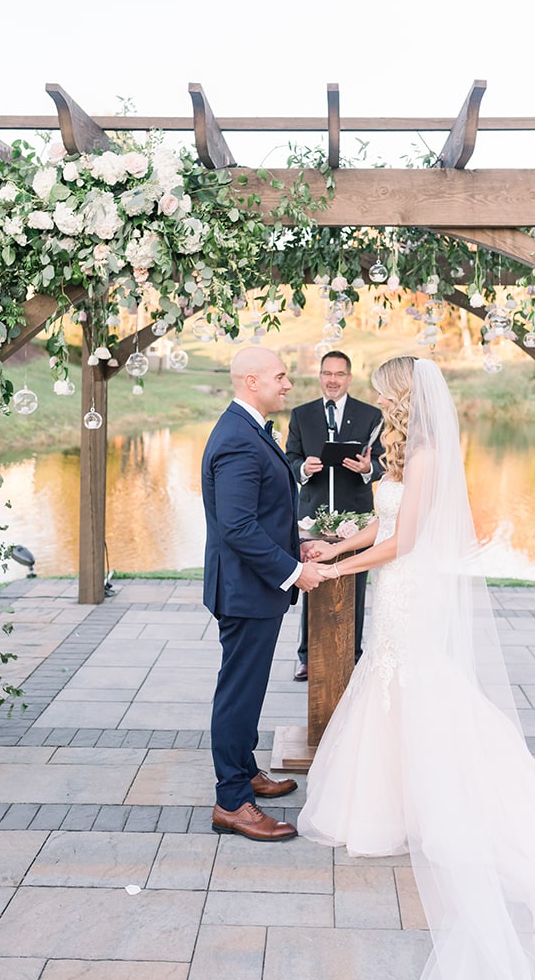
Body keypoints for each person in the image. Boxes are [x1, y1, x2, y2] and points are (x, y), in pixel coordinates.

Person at [299, 355, 535, 979]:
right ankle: (400, 798)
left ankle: (448, 793)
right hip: (396, 583)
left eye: (386, 395)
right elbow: (383, 521)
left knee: (414, 682)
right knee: (390, 682)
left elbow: (407, 543)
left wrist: (335, 570)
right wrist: (339, 544)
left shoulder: (431, 456)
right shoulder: (405, 452)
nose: (379, 404)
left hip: (410, 583)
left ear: (405, 397)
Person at [201, 346, 323, 842]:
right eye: (279, 376)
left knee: (245, 689)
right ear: (251, 381)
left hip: (251, 585)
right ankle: (232, 801)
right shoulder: (237, 439)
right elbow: (238, 526)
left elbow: (262, 512)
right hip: (246, 589)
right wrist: (293, 572)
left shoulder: (248, 430)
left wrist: (301, 542)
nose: (288, 384)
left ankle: (244, 769)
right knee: (239, 692)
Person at [286, 350, 384, 681]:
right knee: (311, 580)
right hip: (311, 515)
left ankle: (351, 655)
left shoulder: (371, 415)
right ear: (320, 376)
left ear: (349, 378)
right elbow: (289, 458)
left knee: (353, 584)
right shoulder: (301, 414)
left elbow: (386, 462)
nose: (332, 379)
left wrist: (368, 467)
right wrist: (302, 468)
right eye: (327, 373)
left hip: (354, 517)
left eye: (339, 374)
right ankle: (307, 657)